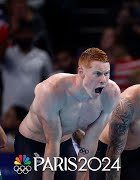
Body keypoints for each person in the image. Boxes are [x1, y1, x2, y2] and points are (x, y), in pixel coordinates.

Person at [14, 47, 120, 180]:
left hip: (63, 143)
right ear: (81, 72)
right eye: (97, 74)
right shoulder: (52, 90)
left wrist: (81, 177)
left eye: (106, 73)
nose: (103, 80)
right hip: (29, 143)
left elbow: (90, 141)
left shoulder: (111, 93)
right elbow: (51, 142)